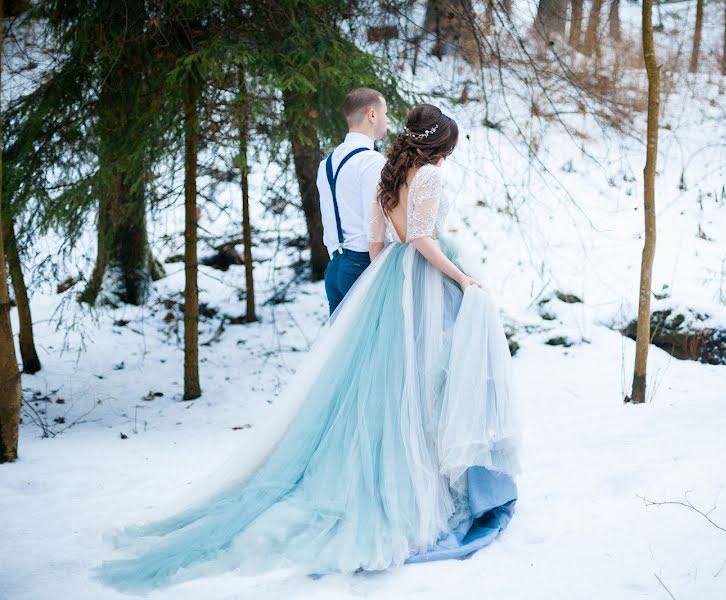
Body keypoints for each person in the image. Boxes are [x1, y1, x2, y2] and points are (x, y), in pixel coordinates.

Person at [96, 104, 521, 593]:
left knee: (386, 385)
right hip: (423, 278)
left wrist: (380, 287)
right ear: (439, 144)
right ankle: (429, 480)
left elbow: (379, 242)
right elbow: (424, 239)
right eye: (449, 145)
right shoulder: (428, 177)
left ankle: (417, 466)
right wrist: (460, 276)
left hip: (388, 278)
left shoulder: (389, 173)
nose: (449, 154)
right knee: (425, 379)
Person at [318, 87, 389, 315]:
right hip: (363, 266)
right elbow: (375, 223)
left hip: (335, 267)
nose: (387, 120)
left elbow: (328, 217)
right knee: (372, 347)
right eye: (385, 113)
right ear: (371, 115)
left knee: (342, 349)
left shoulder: (326, 163)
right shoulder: (371, 161)